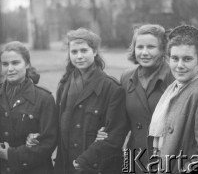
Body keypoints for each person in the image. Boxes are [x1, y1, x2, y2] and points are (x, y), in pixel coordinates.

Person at [96, 24, 174, 173]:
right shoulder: (127, 77)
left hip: (167, 158)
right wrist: (105, 131)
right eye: (140, 47)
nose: (144, 52)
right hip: (135, 157)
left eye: (151, 47)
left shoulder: (174, 76)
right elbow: (121, 120)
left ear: (163, 49)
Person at [52, 28, 128, 174]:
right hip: (65, 166)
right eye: (74, 52)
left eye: (84, 50)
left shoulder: (111, 88)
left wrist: (85, 161)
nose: (79, 56)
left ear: (94, 52)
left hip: (95, 167)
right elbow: (57, 126)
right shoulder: (64, 85)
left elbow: (115, 136)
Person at [149, 25, 198, 173]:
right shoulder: (173, 88)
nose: (179, 65)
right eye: (175, 58)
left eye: (187, 59)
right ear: (168, 59)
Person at [0, 41, 58, 174]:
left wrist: (10, 155)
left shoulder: (44, 98)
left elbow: (48, 143)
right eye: (5, 64)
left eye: (15, 63)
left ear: (27, 64)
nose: (10, 69)